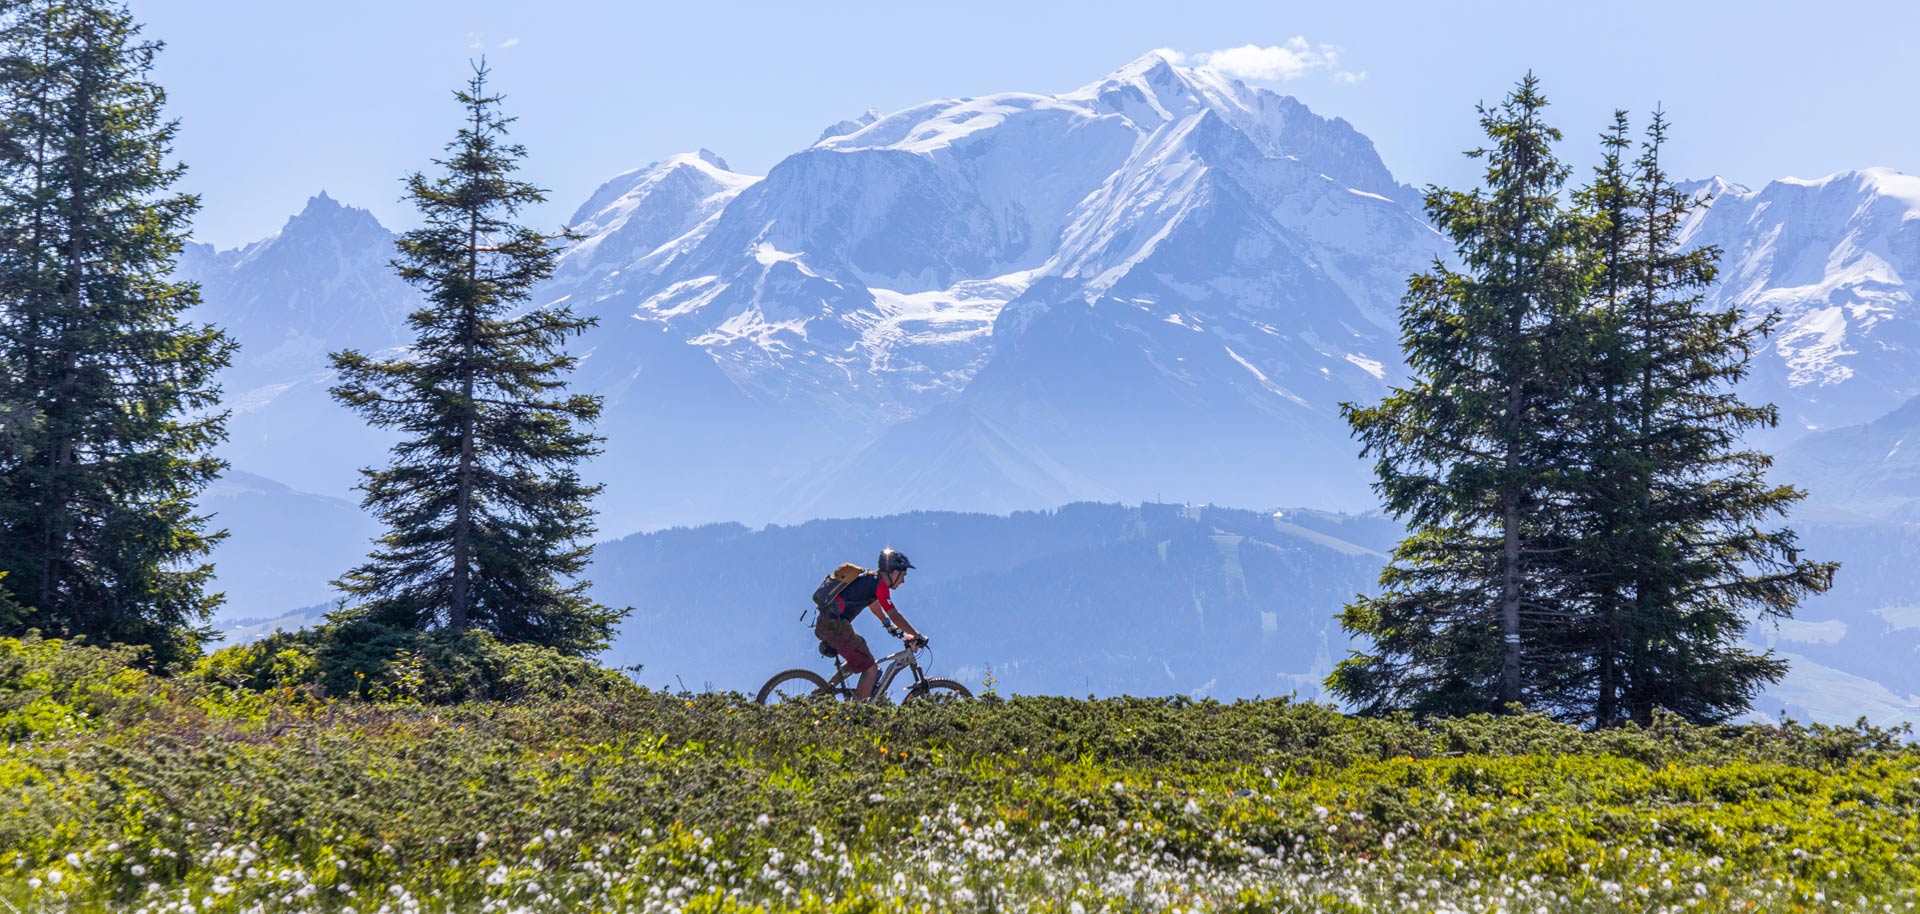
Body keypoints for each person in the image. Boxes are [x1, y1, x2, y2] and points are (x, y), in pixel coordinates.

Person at [814, 548, 926, 700]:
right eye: (903, 575)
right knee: (871, 668)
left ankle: (823, 692)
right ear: (894, 572)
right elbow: (895, 615)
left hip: (827, 623)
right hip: (836, 627)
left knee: (860, 657)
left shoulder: (870, 579)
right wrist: (916, 635)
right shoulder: (880, 586)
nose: (903, 581)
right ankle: (858, 712)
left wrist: (887, 625)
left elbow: (873, 604)